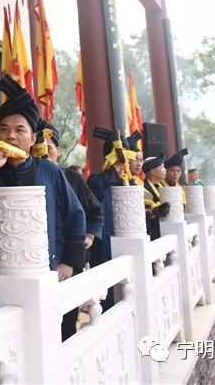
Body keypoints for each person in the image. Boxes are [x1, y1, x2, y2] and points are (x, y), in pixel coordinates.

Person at [0, 77, 86, 345]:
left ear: (33, 138)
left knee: (42, 341)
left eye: (19, 130)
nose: (11, 136)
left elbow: (76, 215)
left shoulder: (49, 171)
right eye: (3, 129)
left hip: (43, 271)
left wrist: (68, 263)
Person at [33, 120, 103, 338]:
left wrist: (90, 235)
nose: (44, 155)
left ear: (58, 151)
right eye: (39, 150)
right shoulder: (28, 176)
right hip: (37, 261)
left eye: (49, 150)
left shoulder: (71, 177)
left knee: (66, 321)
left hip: (68, 259)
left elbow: (94, 211)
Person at [86, 127, 138, 311]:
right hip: (104, 247)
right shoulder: (96, 181)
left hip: (127, 244)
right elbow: (96, 194)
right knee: (108, 297)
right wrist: (113, 172)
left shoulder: (129, 183)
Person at [142, 156, 171, 240]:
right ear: (152, 171)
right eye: (162, 167)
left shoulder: (162, 185)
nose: (165, 170)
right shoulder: (144, 188)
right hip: (153, 230)